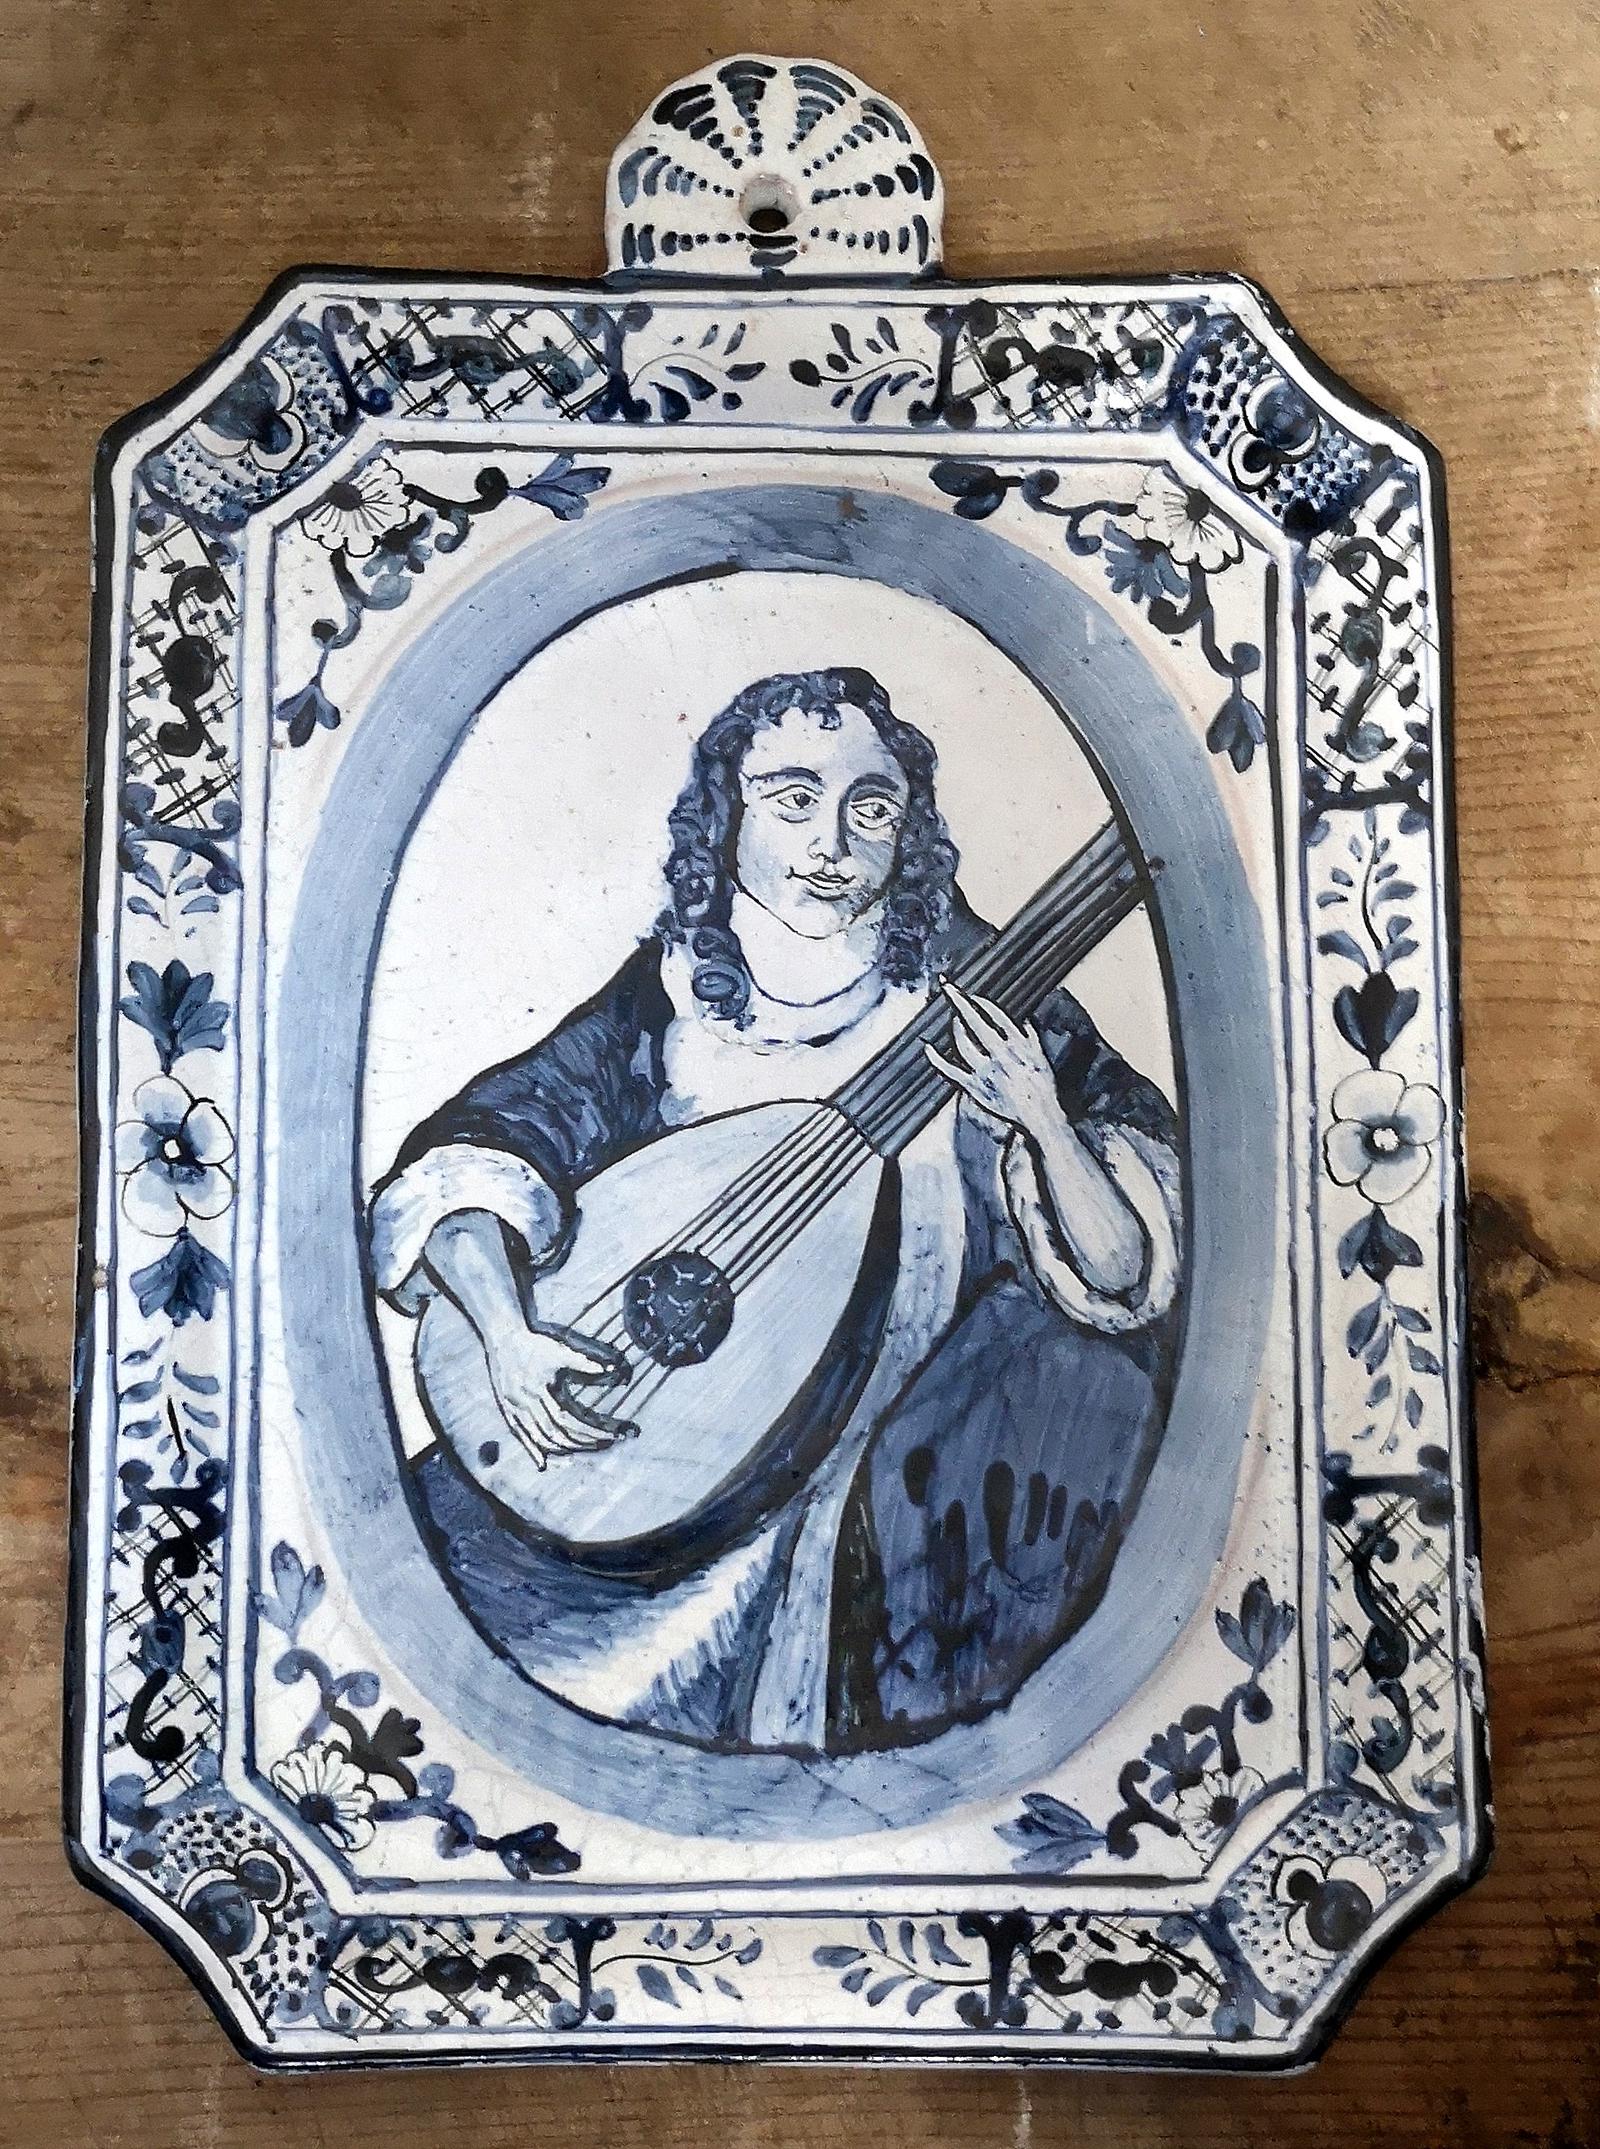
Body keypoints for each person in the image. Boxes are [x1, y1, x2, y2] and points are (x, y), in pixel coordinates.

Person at [368, 667, 1182, 1755]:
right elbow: (482, 1155)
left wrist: (1042, 1115)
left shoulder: (987, 987)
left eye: (871, 807)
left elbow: (1127, 1271)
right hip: (640, 1446)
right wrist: (507, 1335)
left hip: (887, 1449)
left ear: (911, 830)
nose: (831, 842)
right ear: (727, 816)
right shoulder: (671, 992)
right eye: (793, 799)